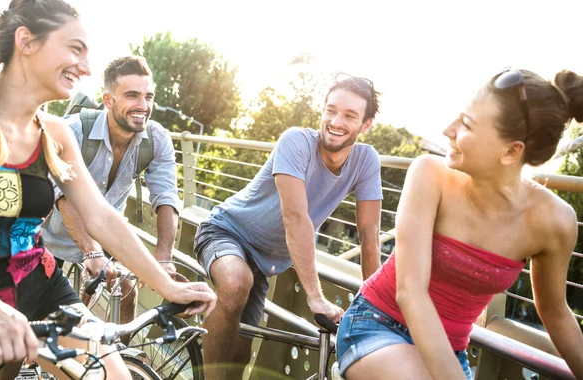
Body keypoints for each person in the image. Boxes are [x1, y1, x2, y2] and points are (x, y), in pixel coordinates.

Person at [0, 1, 216, 379]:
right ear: (26, 41)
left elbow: (102, 217)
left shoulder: (54, 133)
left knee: (113, 373)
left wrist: (166, 285)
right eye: (74, 49)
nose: (87, 68)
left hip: (37, 285)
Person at [336, 68, 583, 380]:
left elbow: (557, 313)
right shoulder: (429, 173)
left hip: (449, 351)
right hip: (375, 324)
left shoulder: (555, 222)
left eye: (466, 124)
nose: (447, 130)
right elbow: (410, 291)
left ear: (510, 151)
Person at [194, 73, 384, 379]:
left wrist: (377, 306)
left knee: (239, 356)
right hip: (225, 231)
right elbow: (295, 218)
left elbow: (369, 234)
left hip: (263, 262)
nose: (336, 121)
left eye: (349, 116)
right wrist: (315, 297)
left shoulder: (366, 160)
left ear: (365, 126)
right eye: (331, 110)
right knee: (234, 282)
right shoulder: (296, 141)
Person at [42, 56, 182, 340]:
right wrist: (90, 251)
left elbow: (166, 195)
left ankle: (122, 354)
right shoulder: (73, 130)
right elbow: (63, 193)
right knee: (49, 327)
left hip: (107, 233)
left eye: (148, 96)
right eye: (132, 95)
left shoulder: (157, 139)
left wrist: (164, 259)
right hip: (53, 235)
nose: (143, 106)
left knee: (127, 287)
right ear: (107, 100)